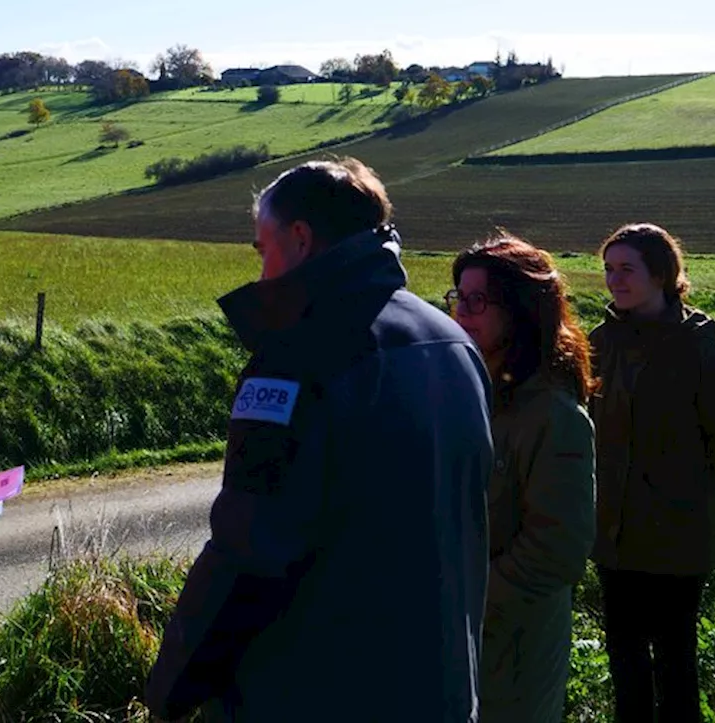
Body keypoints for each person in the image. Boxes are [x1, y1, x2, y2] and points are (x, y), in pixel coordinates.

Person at [145, 157, 494, 722]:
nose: (260, 274)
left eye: (262, 249)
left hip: (317, 689)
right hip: (443, 685)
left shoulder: (299, 356)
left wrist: (171, 688)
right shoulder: (452, 342)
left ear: (301, 239)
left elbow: (249, 549)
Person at [589, 223, 715, 723]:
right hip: (614, 539)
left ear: (662, 274)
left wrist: (696, 494)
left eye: (627, 269)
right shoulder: (599, 345)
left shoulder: (700, 347)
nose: (614, 280)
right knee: (625, 665)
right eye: (609, 269)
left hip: (676, 542)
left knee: (675, 667)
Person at [448, 235, 596, 722]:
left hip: (511, 654)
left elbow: (556, 552)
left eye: (477, 300)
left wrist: (469, 596)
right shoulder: (462, 393)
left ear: (520, 311)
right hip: (454, 641)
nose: (461, 313)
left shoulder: (555, 415)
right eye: (458, 298)